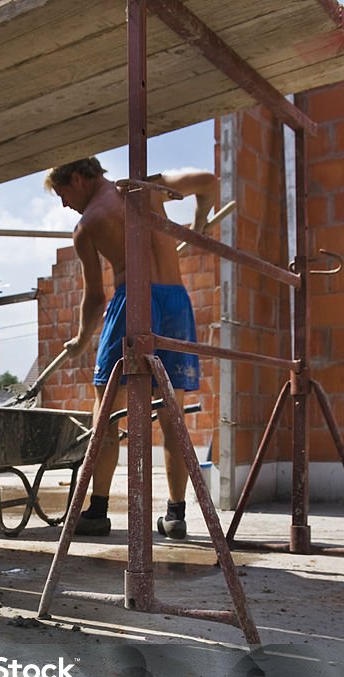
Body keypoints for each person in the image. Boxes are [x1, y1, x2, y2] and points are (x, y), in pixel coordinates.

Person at [44, 157, 216, 538]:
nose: (63, 203)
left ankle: (97, 512)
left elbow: (94, 298)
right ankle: (176, 515)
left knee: (105, 410)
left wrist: (81, 339)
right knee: (173, 415)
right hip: (175, 303)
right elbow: (208, 180)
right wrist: (200, 223)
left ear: (76, 177)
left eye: (62, 193)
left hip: (133, 300)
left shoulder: (87, 225)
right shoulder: (144, 188)